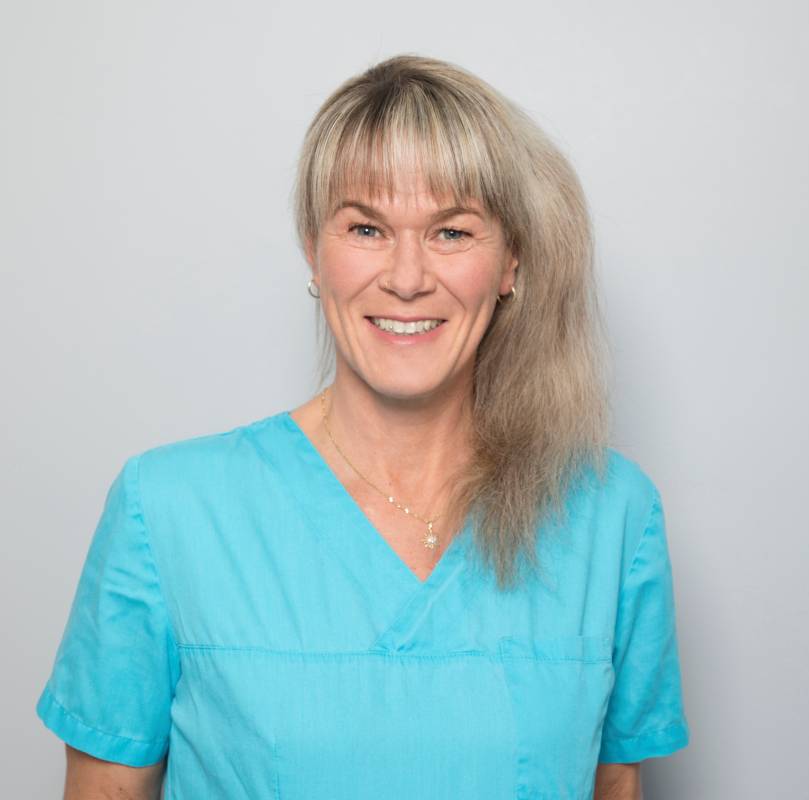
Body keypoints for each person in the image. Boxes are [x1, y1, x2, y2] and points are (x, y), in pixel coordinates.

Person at [35, 54, 690, 799]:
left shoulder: (611, 515)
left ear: (511, 261)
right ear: (313, 250)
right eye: (367, 228)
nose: (407, 278)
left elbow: (614, 784)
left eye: (451, 232)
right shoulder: (167, 511)